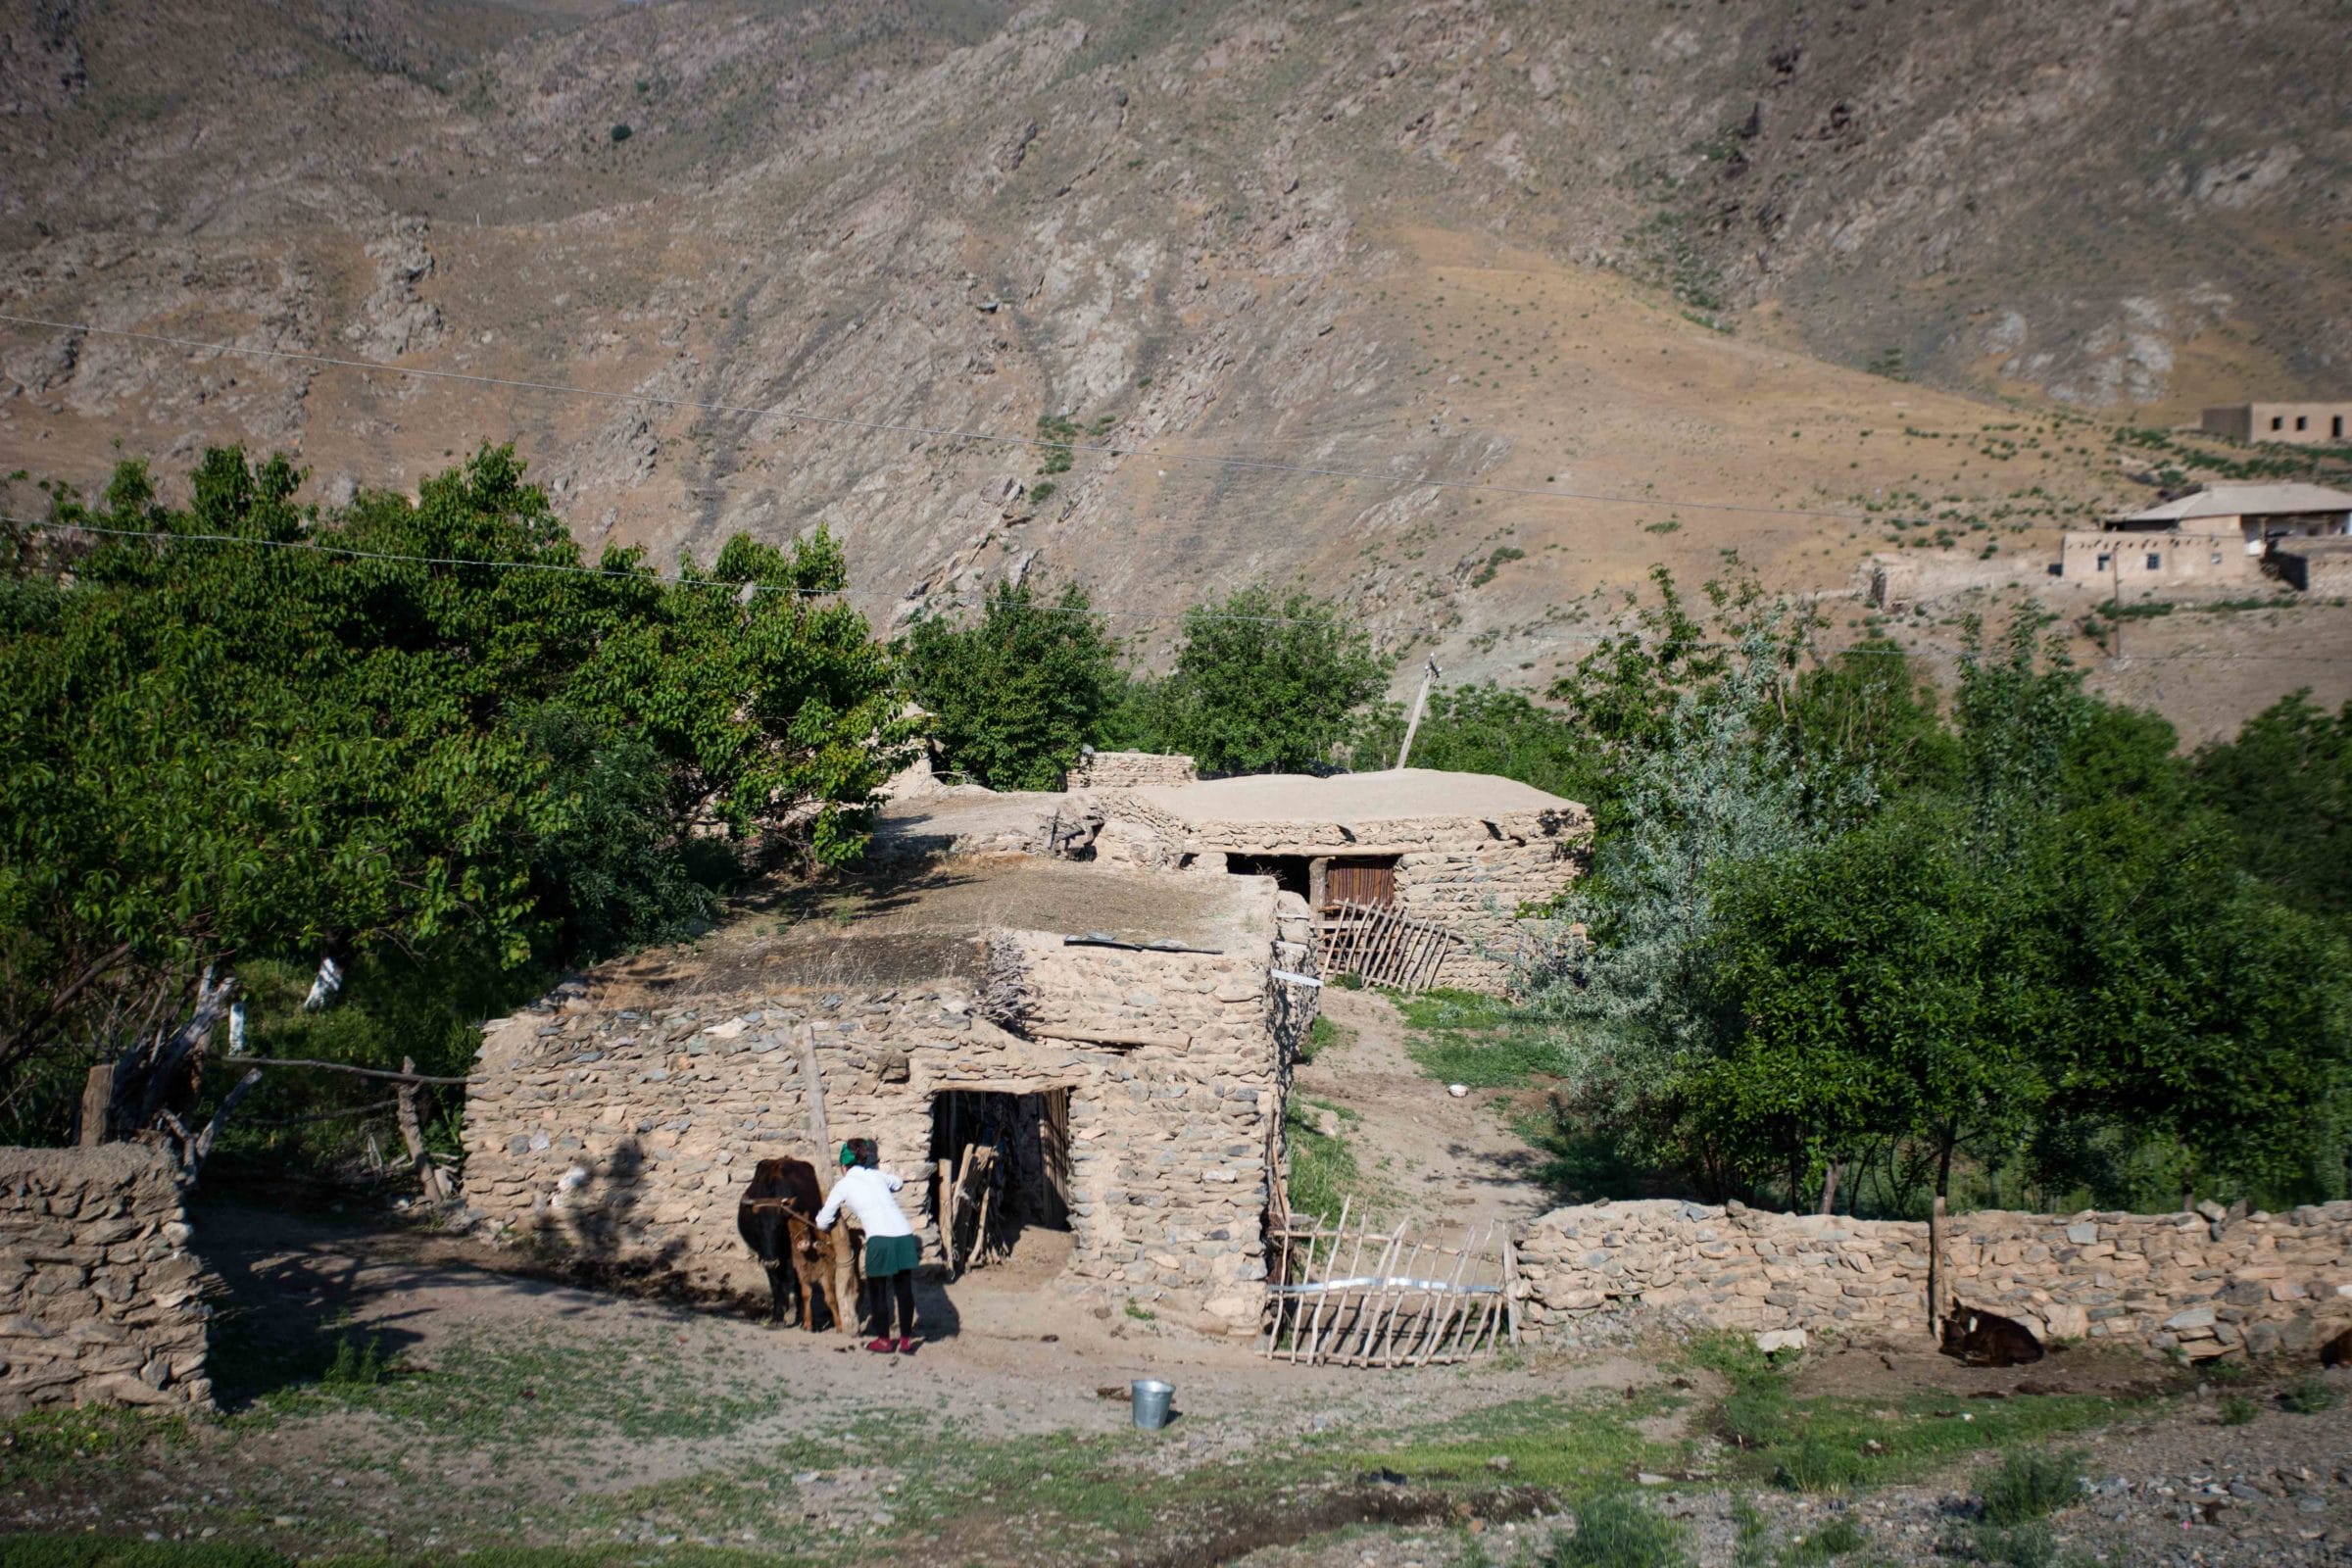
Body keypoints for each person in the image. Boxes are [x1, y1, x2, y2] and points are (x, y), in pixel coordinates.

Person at [814, 1137, 923, 1353]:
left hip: (879, 1238)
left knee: (878, 1289)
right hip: (903, 1234)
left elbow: (822, 1221)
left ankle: (883, 1340)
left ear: (844, 1166)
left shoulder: (843, 1186)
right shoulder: (877, 1175)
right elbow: (898, 1183)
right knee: (903, 1289)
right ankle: (905, 1340)